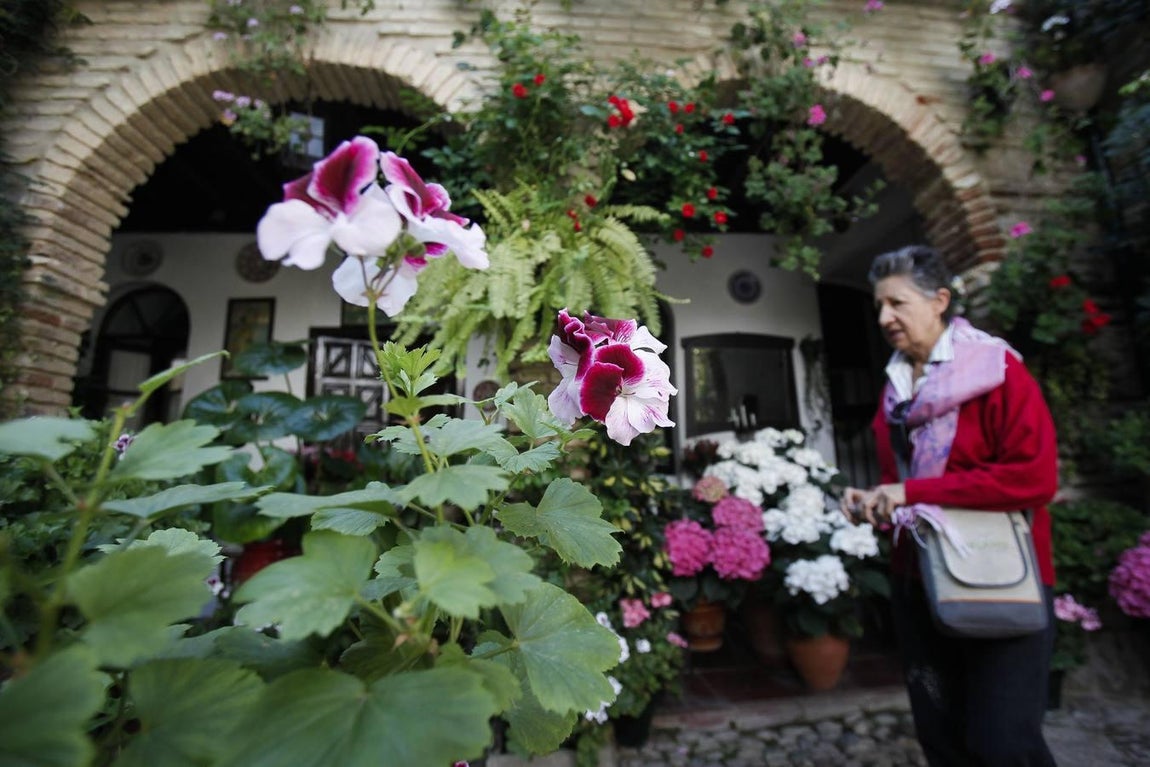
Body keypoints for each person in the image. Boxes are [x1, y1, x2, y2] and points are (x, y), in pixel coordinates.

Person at [841, 245, 1059, 767]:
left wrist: (912, 494)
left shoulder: (997, 369)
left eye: (896, 303)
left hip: (1001, 579)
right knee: (943, 739)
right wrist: (875, 502)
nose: (883, 318)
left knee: (1003, 744)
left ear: (939, 301)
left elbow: (1034, 478)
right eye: (879, 306)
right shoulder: (896, 388)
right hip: (919, 579)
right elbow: (901, 484)